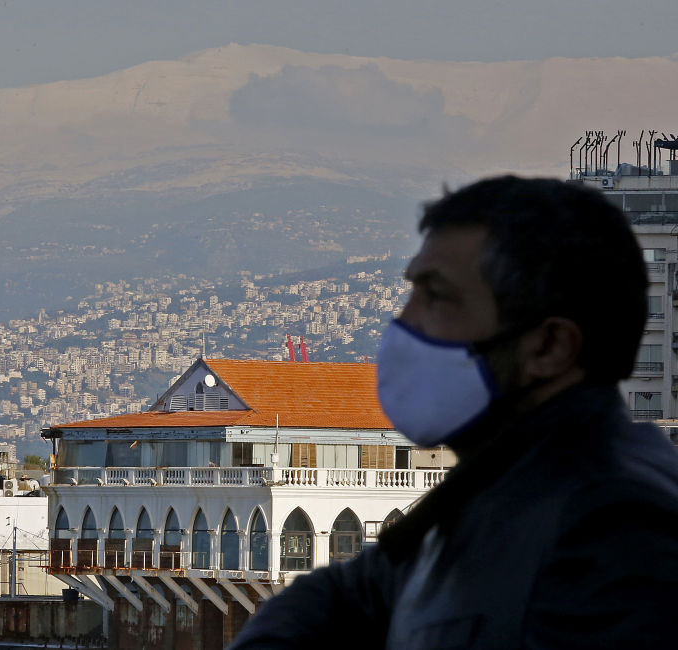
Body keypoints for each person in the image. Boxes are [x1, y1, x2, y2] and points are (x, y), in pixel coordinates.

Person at [229, 176, 678, 649]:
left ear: (549, 346)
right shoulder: (495, 494)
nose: (402, 326)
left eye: (437, 298)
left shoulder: (617, 532)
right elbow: (341, 596)